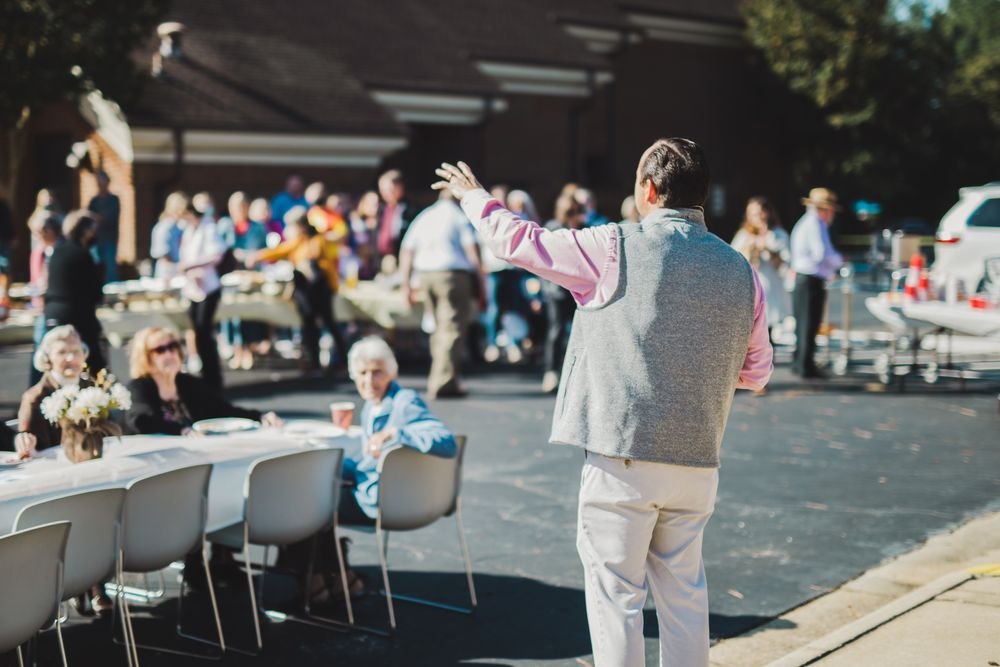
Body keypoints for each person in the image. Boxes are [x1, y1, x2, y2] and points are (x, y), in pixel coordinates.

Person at [433, 138, 773, 667]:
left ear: (649, 190)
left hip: (624, 453)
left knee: (616, 596)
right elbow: (756, 372)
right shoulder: (741, 270)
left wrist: (474, 197)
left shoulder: (613, 245)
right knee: (684, 596)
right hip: (698, 457)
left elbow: (524, 244)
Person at [278, 336, 457, 600]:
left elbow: (446, 442)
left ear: (391, 373)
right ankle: (341, 578)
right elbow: (369, 464)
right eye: (362, 373)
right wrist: (333, 462)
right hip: (388, 493)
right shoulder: (373, 408)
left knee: (306, 501)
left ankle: (316, 581)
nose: (369, 381)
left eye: (377, 372)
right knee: (312, 487)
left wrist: (396, 433)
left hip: (388, 501)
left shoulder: (404, 402)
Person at [398, 191, 485, 398]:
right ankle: (442, 382)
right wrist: (482, 284)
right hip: (452, 274)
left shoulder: (425, 216)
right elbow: (472, 251)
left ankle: (446, 378)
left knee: (437, 327)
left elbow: (407, 250)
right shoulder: (459, 216)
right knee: (452, 329)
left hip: (425, 274)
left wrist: (406, 285)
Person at [124, 326, 280, 435]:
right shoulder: (139, 387)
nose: (169, 354)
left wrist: (260, 417)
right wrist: (180, 430)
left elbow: (223, 410)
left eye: (172, 347)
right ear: (145, 358)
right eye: (160, 350)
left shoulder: (188, 383)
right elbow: (140, 420)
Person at [252, 207, 348, 375]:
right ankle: (314, 362)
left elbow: (317, 261)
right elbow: (279, 251)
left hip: (320, 289)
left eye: (291, 227)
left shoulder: (316, 240)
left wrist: (303, 262)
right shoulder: (298, 241)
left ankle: (342, 361)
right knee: (310, 326)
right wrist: (258, 256)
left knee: (328, 323)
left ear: (301, 226)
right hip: (306, 291)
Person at [15, 325, 92, 458]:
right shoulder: (35, 397)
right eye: (62, 352)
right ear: (47, 358)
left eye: (76, 351)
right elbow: (29, 444)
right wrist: (24, 441)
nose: (71, 358)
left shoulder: (91, 386)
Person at [790, 187, 843, 379]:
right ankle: (805, 366)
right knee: (808, 324)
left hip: (806, 278)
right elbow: (822, 253)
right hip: (810, 279)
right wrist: (838, 261)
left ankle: (801, 363)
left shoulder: (809, 223)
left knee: (804, 324)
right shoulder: (815, 224)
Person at [45, 210, 107, 374]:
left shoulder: (58, 252)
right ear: (85, 231)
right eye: (92, 230)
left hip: (53, 312)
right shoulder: (82, 255)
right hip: (77, 315)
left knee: (55, 360)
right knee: (91, 362)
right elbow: (95, 291)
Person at [217, 192, 269, 370]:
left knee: (249, 314)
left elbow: (265, 249)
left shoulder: (258, 228)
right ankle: (236, 349)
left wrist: (254, 256)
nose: (238, 211)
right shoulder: (225, 227)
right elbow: (220, 250)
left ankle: (249, 349)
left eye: (241, 207)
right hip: (231, 277)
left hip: (250, 277)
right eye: (234, 208)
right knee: (232, 314)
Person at [540, 196, 586, 394]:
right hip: (557, 290)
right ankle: (551, 372)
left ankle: (572, 374)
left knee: (578, 331)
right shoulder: (553, 229)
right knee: (557, 331)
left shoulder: (583, 229)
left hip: (576, 288)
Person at [178, 200, 225, 390]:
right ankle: (206, 373)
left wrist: (193, 265)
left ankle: (213, 376)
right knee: (196, 331)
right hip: (193, 287)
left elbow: (216, 256)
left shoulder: (209, 229)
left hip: (208, 287)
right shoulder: (190, 230)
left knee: (205, 331)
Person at [732, 196, 792, 343]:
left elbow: (785, 264)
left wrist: (768, 249)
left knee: (766, 337)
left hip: (769, 292)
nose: (758, 218)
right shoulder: (744, 235)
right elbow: (733, 260)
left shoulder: (778, 235)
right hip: (749, 292)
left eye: (760, 213)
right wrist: (750, 247)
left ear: (767, 213)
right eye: (753, 214)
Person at [28, 215, 63, 385]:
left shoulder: (61, 251)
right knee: (39, 350)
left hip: (54, 306)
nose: (37, 236)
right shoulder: (38, 252)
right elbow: (35, 279)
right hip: (41, 306)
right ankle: (36, 388)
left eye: (40, 232)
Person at [87, 170, 121, 283]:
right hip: (96, 240)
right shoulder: (94, 201)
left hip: (110, 239)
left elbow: (110, 218)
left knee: (110, 268)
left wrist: (99, 218)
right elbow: (89, 218)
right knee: (96, 267)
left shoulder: (114, 200)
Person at [375, 169, 416, 263]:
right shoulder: (380, 209)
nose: (385, 193)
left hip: (401, 258)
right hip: (381, 260)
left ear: (399, 187)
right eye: (382, 190)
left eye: (388, 189)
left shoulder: (410, 210)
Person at [150, 191, 187, 279]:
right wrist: (177, 268)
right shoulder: (164, 227)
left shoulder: (180, 226)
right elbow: (163, 254)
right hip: (168, 272)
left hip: (179, 271)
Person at [348, 190, 381, 279]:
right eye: (370, 204)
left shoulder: (382, 221)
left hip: (375, 264)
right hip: (356, 263)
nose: (374, 208)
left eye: (376, 204)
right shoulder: (355, 220)